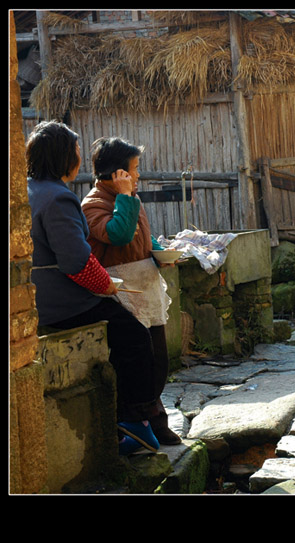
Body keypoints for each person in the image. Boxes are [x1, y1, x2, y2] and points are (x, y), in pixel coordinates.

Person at [26, 121, 161, 455]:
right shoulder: (60, 198)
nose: (79, 159)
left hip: (37, 297)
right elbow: (76, 261)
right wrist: (107, 287)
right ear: (64, 158)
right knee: (134, 337)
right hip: (62, 302)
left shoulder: (29, 190)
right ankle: (132, 419)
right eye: (75, 152)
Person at [81, 136, 181, 446]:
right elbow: (120, 235)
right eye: (133, 170)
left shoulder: (129, 198)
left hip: (146, 288)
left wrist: (159, 252)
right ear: (117, 173)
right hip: (121, 293)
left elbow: (141, 238)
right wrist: (125, 197)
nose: (138, 175)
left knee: (159, 360)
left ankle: (154, 417)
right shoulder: (95, 204)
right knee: (139, 361)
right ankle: (141, 423)